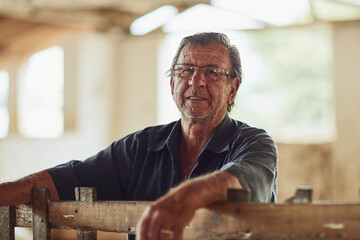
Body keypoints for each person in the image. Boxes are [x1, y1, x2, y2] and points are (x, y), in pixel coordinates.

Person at [0, 32, 278, 240]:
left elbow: (246, 179)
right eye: (185, 70)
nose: (196, 81)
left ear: (233, 89)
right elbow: (70, 177)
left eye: (212, 72)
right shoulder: (140, 147)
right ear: (172, 84)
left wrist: (183, 197)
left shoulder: (254, 143)